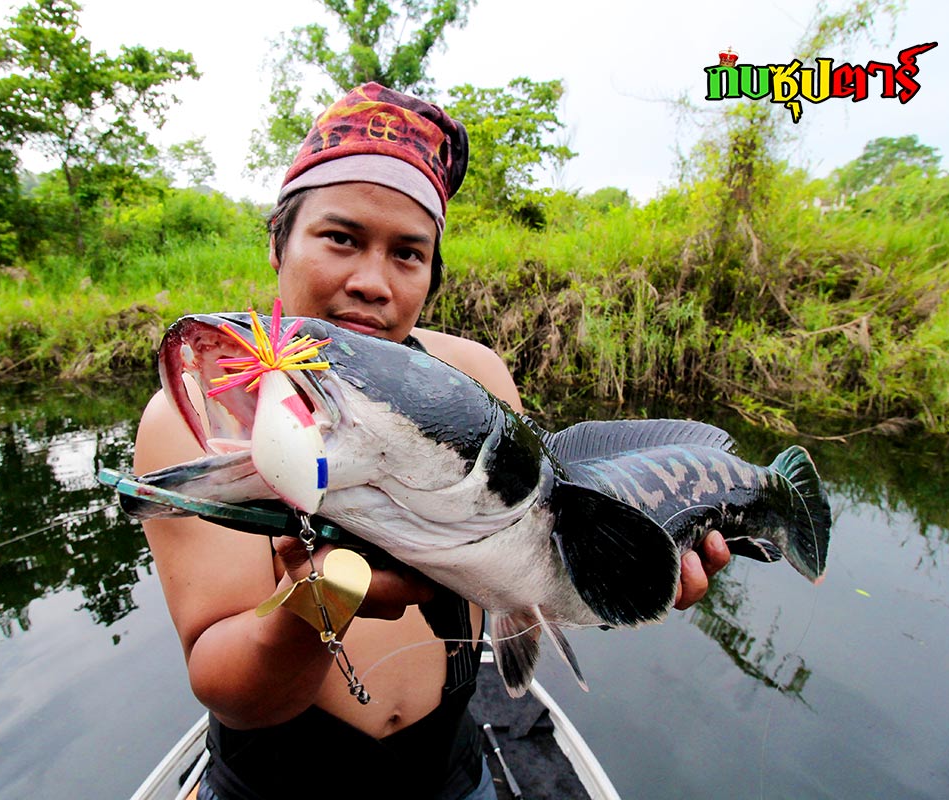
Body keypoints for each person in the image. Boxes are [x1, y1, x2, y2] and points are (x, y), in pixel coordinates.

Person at [134, 83, 731, 800]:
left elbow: (530, 572)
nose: (371, 283)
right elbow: (231, 691)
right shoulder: (196, 413)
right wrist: (317, 605)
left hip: (450, 776)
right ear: (278, 242)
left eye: (408, 254)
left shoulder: (476, 376)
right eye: (340, 237)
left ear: (431, 275)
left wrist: (625, 582)